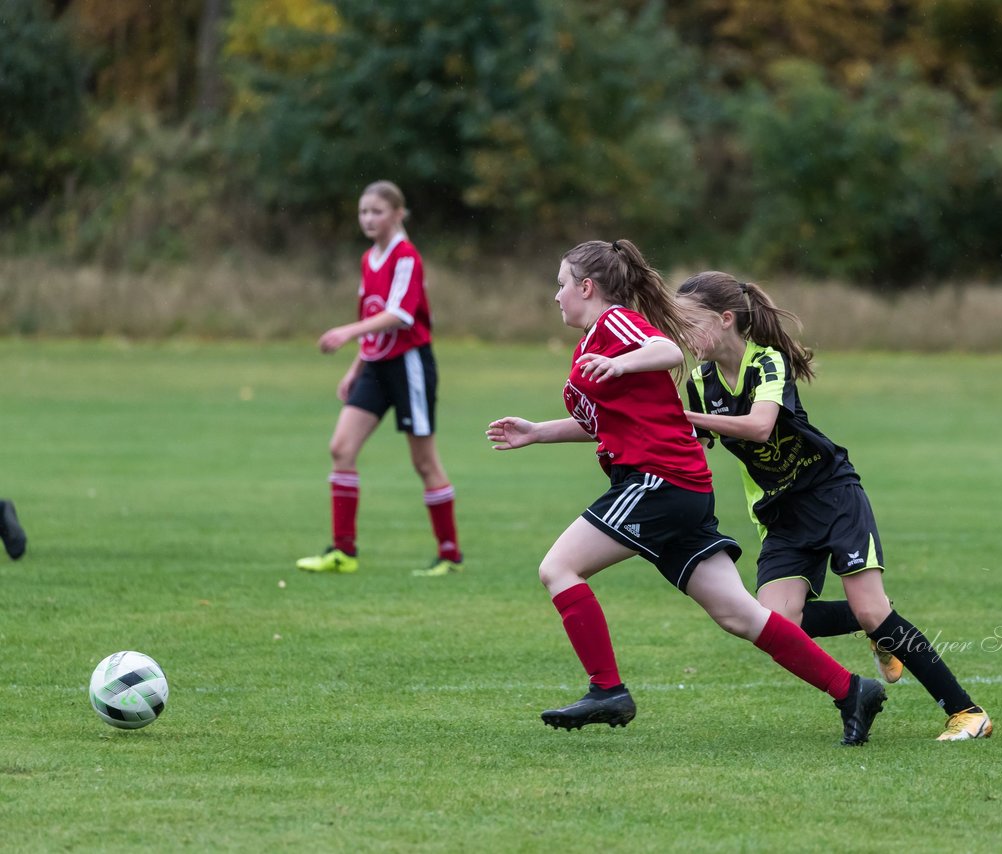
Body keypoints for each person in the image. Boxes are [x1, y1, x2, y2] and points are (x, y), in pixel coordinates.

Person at [486, 239, 886, 746]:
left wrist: (626, 363)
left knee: (558, 568)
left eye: (561, 284)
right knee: (738, 614)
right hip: (677, 487)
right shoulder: (591, 342)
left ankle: (607, 689)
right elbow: (613, 422)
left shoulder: (614, 324)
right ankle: (851, 689)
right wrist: (538, 431)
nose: (556, 295)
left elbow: (667, 349)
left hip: (657, 482)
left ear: (587, 287)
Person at [677, 271, 993, 741]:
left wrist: (680, 417)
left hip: (831, 496)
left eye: (690, 322)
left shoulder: (769, 362)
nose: (682, 336)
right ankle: (878, 624)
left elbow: (761, 426)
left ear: (726, 320)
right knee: (777, 624)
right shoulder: (702, 384)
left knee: (871, 609)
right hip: (779, 514)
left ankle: (967, 713)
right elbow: (683, 439)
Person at [296, 181, 462, 577]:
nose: (368, 219)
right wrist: (355, 368)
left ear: (398, 214)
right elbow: (373, 319)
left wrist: (345, 332)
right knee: (341, 447)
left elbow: (399, 315)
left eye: (377, 211)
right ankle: (343, 552)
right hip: (375, 366)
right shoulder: (368, 259)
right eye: (363, 212)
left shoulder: (406, 257)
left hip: (410, 366)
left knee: (423, 462)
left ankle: (449, 554)